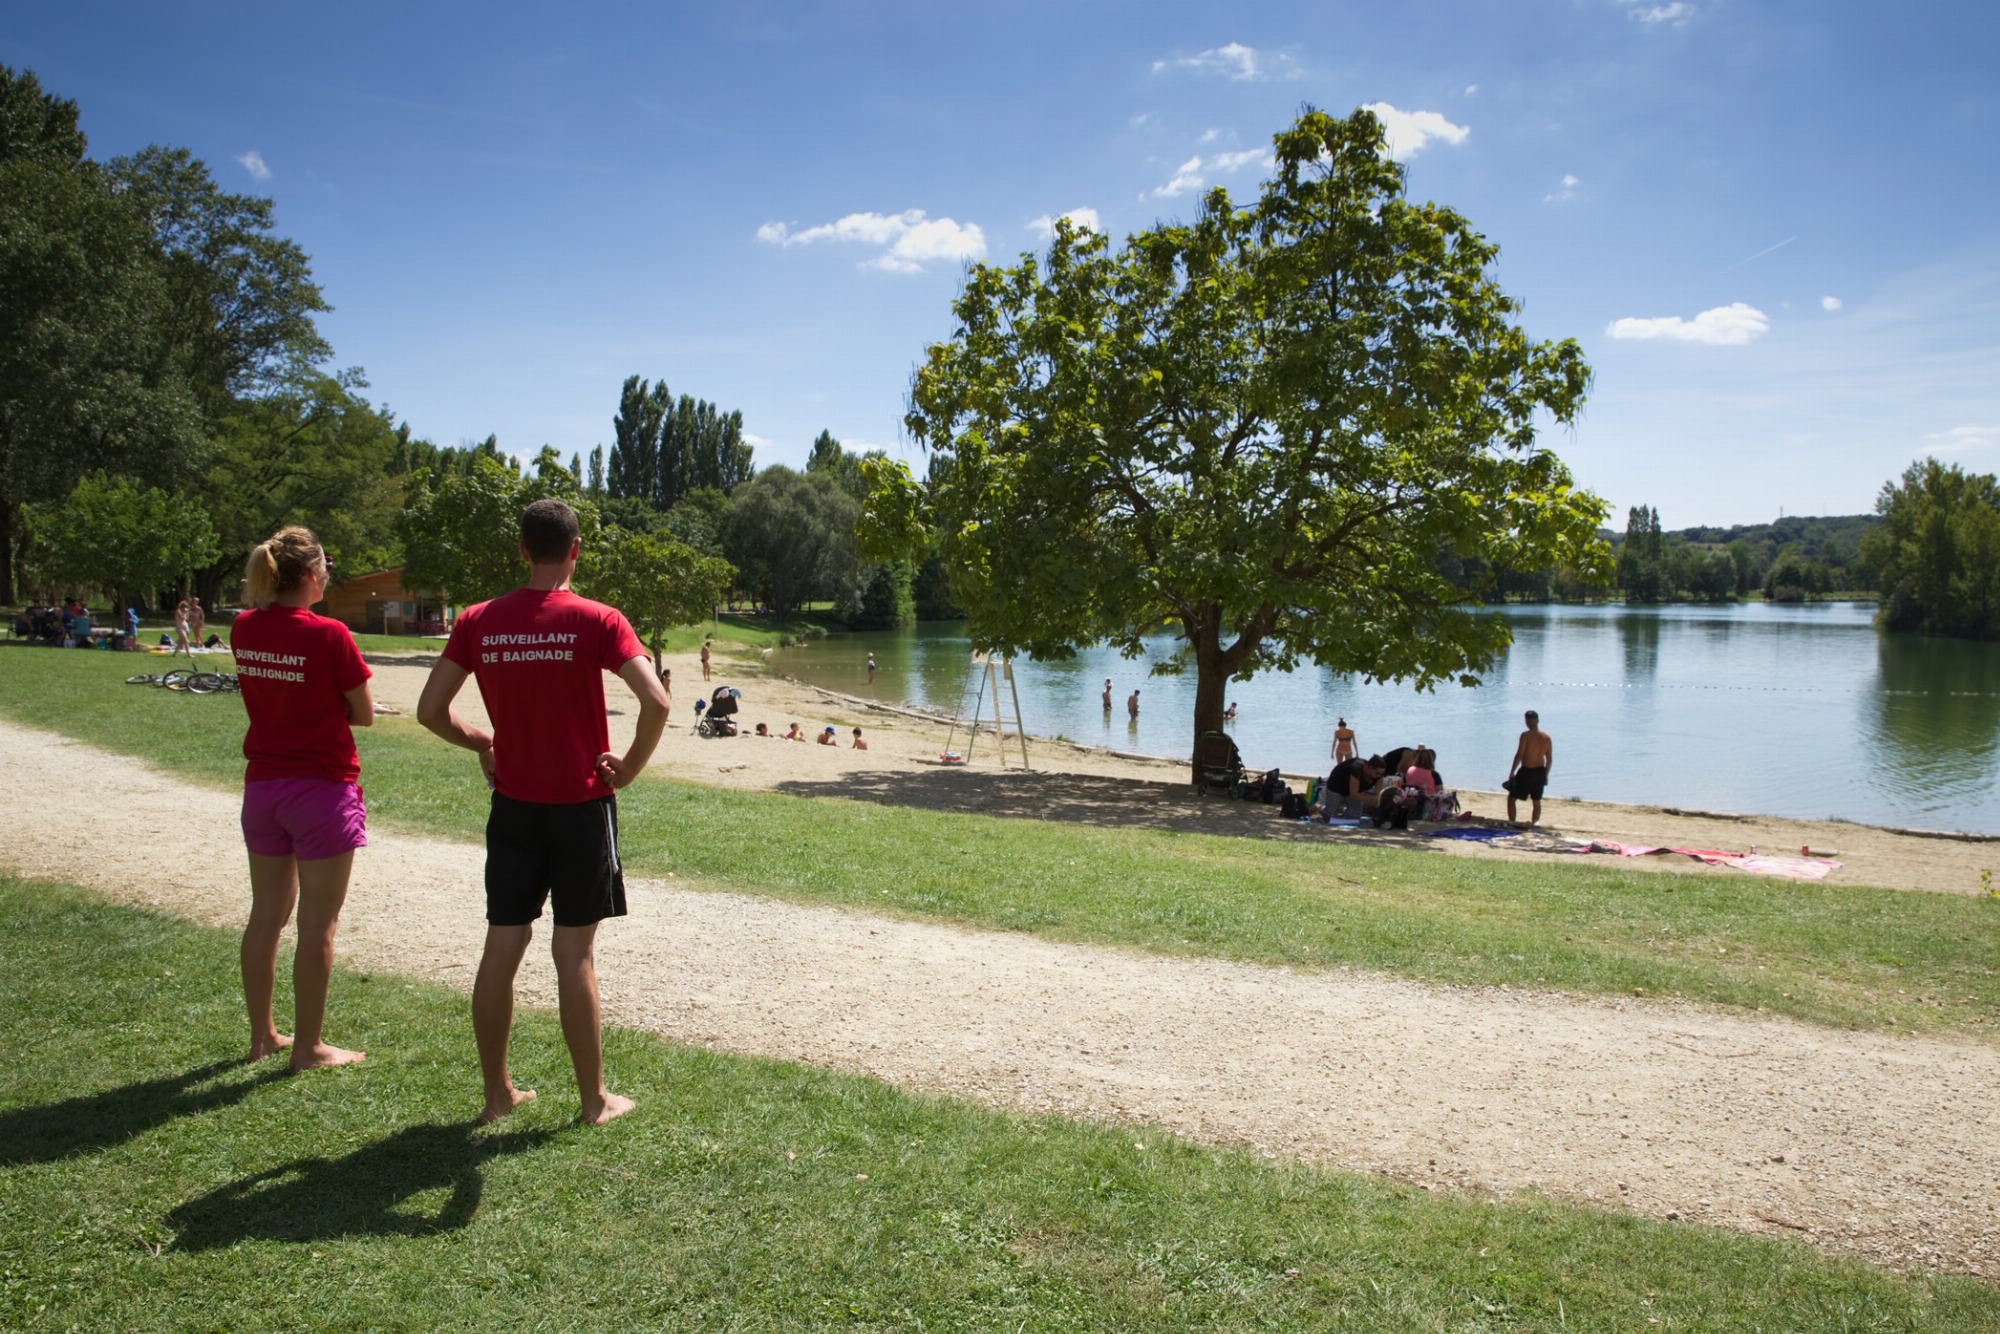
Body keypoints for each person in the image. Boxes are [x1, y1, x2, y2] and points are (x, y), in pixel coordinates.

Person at [416, 500, 668, 1125]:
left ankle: (496, 1095)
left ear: (522, 551)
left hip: (514, 809)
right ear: (576, 550)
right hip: (582, 809)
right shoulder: (600, 620)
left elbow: (429, 711)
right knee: (574, 954)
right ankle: (593, 1100)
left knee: (502, 945)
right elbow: (657, 701)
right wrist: (631, 765)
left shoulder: (478, 620)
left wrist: (484, 742)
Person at [231, 526, 374, 1071]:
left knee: (265, 917)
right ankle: (310, 1048)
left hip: (263, 788)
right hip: (321, 789)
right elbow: (361, 711)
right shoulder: (329, 634)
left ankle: (262, 1036)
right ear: (312, 574)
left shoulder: (245, 627)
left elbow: (280, 691)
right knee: (319, 924)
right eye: (327, 566)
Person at [1504, 710, 1553, 827]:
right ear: (1538, 720)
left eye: (1527, 720)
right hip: (1540, 771)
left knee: (1512, 798)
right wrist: (1546, 775)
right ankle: (1535, 822)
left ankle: (1512, 821)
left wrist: (1512, 771)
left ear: (1527, 721)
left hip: (1526, 771)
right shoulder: (1546, 737)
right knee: (1536, 800)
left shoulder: (1525, 735)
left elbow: (1520, 754)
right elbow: (1549, 759)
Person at [1323, 754, 1384, 819]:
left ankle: (1341, 809)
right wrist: (1372, 798)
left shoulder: (1379, 776)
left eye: (1381, 773)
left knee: (1354, 817)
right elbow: (1354, 794)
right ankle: (1321, 808)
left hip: (1354, 790)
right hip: (1336, 786)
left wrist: (1378, 800)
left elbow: (1379, 794)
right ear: (1370, 767)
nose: (1379, 776)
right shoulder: (1356, 769)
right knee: (1330, 817)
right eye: (1377, 773)